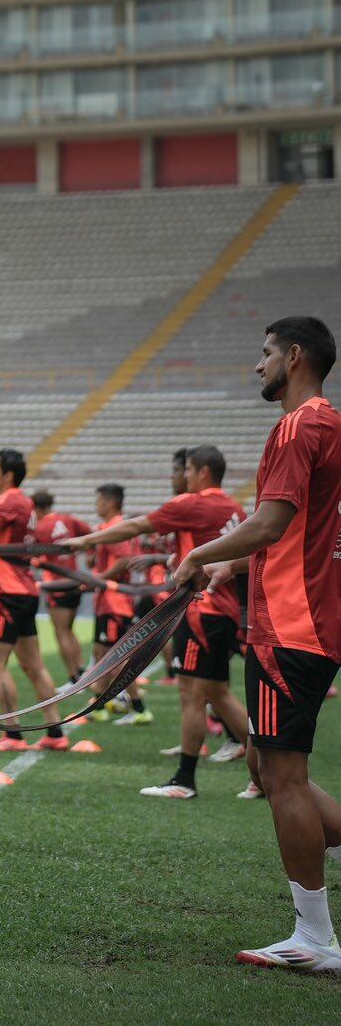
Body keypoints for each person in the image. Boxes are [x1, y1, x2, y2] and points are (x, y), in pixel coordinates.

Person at [173, 316, 341, 973]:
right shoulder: (325, 425)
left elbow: (272, 524)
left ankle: (315, 939)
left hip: (290, 628)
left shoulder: (301, 426)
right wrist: (228, 564)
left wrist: (199, 557)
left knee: (283, 776)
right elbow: (291, 531)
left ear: (294, 356)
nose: (257, 364)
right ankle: (313, 933)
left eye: (265, 353)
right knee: (263, 766)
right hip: (303, 622)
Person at [78, 443, 249, 798]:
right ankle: (267, 773)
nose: (183, 477)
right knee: (217, 692)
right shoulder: (233, 507)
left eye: (186, 470)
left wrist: (81, 541)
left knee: (192, 695)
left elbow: (136, 525)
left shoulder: (194, 502)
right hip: (224, 608)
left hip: (203, 610)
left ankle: (184, 781)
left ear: (201, 472)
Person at [0, 450, 70, 752]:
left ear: (8, 474)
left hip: (8, 593)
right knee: (33, 665)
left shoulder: (9, 498)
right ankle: (55, 732)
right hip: (25, 591)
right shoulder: (24, 502)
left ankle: (12, 736)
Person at [81, 484, 151, 727]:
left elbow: (124, 560)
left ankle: (140, 707)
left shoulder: (117, 528)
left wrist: (100, 578)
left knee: (117, 658)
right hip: (107, 602)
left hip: (116, 602)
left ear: (110, 502)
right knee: (101, 653)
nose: (96, 505)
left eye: (99, 500)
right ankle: (99, 704)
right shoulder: (106, 529)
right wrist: (93, 562)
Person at [30, 489, 90, 681]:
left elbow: (33, 555)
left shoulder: (40, 527)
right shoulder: (68, 519)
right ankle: (81, 669)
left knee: (61, 632)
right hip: (74, 580)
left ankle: (73, 676)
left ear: (37, 508)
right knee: (69, 630)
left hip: (56, 584)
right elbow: (90, 535)